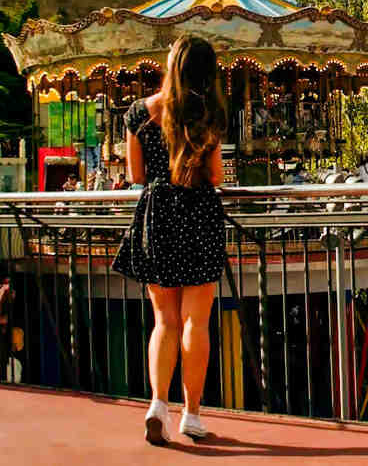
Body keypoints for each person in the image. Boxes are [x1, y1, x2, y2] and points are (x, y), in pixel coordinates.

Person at [112, 37, 227, 446]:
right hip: (198, 212)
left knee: (164, 320)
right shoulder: (206, 111)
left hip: (158, 212)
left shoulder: (139, 112)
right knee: (196, 320)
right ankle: (191, 415)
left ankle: (157, 404)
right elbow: (215, 176)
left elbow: (136, 175)